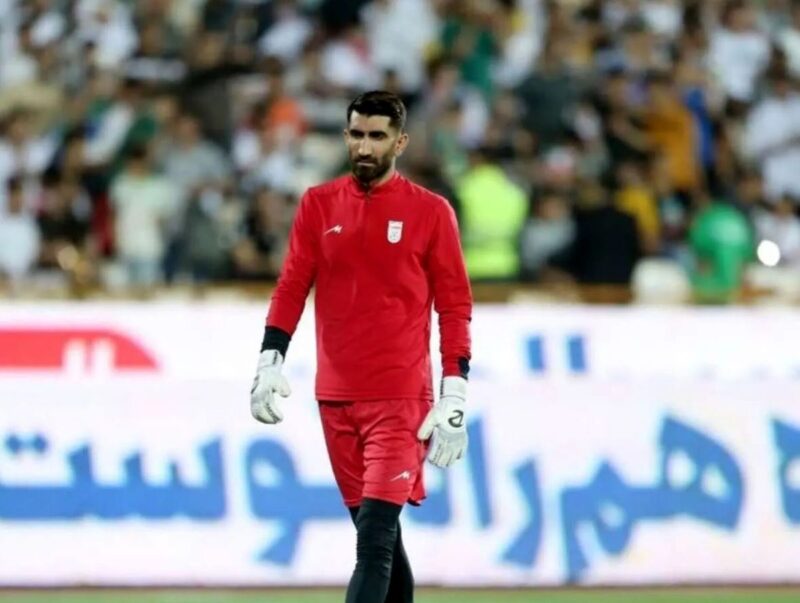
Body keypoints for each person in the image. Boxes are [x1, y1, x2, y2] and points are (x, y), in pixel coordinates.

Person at [249, 91, 472, 603]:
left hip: (399, 401)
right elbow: (291, 286)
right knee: (383, 542)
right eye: (356, 135)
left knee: (373, 544)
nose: (365, 147)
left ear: (400, 142)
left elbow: (455, 306)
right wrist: (269, 360)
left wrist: (455, 393)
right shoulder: (318, 204)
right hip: (335, 398)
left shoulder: (431, 212)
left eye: (377, 136)